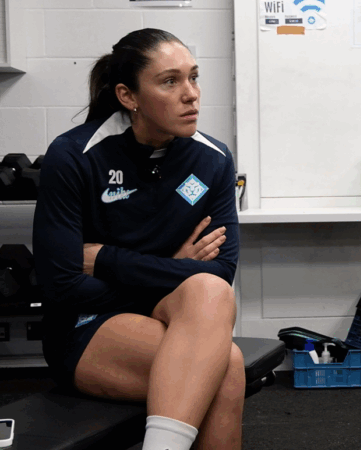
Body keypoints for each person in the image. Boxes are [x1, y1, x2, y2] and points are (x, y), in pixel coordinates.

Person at [33, 29, 243, 450]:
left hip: (165, 311)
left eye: (193, 77)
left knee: (209, 289)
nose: (191, 94)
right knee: (226, 366)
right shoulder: (73, 155)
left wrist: (106, 260)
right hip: (86, 324)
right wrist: (174, 268)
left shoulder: (214, 159)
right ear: (128, 96)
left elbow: (221, 272)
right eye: (170, 81)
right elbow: (61, 286)